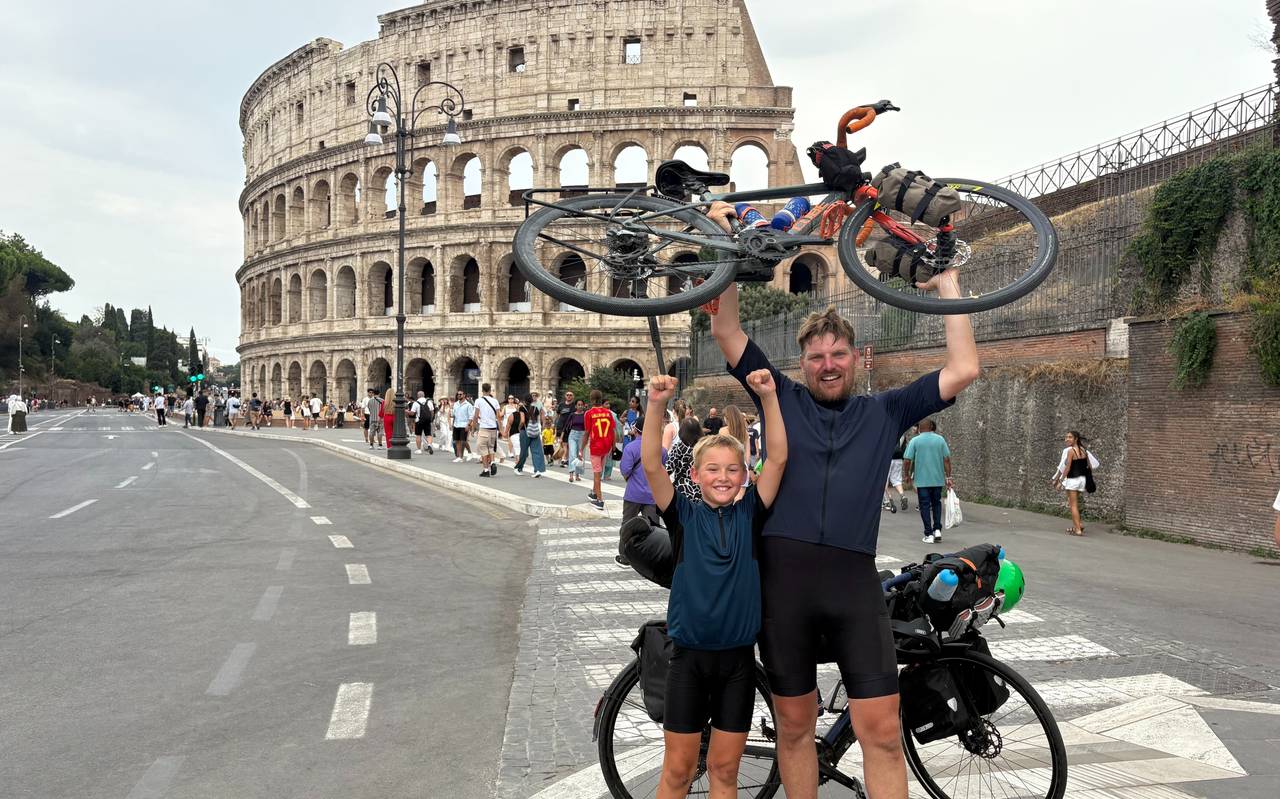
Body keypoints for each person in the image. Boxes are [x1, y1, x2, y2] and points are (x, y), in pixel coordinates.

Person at [708, 249, 979, 799]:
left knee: (880, 731)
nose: (827, 364)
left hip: (854, 587)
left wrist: (949, 287)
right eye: (815, 357)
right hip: (783, 589)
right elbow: (727, 329)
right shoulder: (779, 398)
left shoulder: (885, 412)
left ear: (857, 356)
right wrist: (729, 252)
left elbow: (964, 369)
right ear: (801, 363)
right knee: (796, 729)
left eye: (837, 353)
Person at [641, 369, 787, 799]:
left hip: (739, 664)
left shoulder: (752, 513)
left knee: (724, 770)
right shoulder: (682, 515)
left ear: (745, 474)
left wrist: (770, 398)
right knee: (678, 772)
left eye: (732, 469)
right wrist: (655, 404)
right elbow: (652, 462)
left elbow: (777, 458)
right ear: (697, 475)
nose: (722, 476)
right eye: (713, 469)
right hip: (688, 662)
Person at [904, 419, 952, 543]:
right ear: (932, 427)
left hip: (922, 481)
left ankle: (928, 533)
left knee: (924, 506)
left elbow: (907, 460)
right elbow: (946, 459)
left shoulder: (915, 441)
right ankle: (937, 530)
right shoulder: (940, 440)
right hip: (937, 480)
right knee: (936, 503)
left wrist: (907, 475)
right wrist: (948, 477)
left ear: (919, 428)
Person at [1052, 430, 1100, 536]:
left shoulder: (1070, 451)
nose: (1067, 439)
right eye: (1066, 437)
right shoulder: (1084, 450)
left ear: (1076, 439)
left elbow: (1067, 468)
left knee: (1073, 505)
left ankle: (1078, 529)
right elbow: (1090, 466)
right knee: (1072, 503)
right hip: (1082, 480)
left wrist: (1059, 481)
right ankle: (1078, 525)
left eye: (1069, 437)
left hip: (1073, 480)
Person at [584, 390, 616, 508]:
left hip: (596, 446)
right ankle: (593, 493)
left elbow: (587, 432)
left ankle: (599, 499)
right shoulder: (608, 413)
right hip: (606, 445)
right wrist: (613, 447)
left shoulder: (589, 413)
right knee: (600, 470)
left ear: (591, 400)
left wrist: (581, 449)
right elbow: (613, 431)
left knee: (597, 474)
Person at [474, 383, 501, 477]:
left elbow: (476, 415)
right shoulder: (495, 401)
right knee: (491, 447)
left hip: (484, 428)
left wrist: (474, 427)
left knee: (483, 448)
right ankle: (493, 462)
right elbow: (499, 416)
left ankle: (486, 470)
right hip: (493, 428)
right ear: (490, 390)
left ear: (482, 390)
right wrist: (501, 429)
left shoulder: (478, 401)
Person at [883, 432, 909, 513]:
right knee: (897, 480)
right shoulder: (902, 433)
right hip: (899, 458)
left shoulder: (887, 431)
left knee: (884, 480)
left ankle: (888, 500)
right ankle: (902, 495)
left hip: (887, 457)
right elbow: (904, 447)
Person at [566, 399, 587, 483]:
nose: (580, 406)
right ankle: (571, 474)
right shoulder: (572, 415)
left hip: (582, 435)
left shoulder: (585, 415)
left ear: (584, 406)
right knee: (572, 454)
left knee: (580, 455)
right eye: (578, 405)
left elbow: (588, 427)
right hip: (572, 435)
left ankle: (577, 474)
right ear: (575, 406)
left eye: (581, 404)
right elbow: (566, 425)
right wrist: (562, 436)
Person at [451, 390, 474, 462]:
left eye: (460, 394)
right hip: (456, 424)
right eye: (458, 394)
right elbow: (454, 415)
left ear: (464, 395)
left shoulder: (468, 405)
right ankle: (459, 456)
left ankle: (470, 452)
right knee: (457, 441)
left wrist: (468, 425)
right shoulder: (455, 404)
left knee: (463, 441)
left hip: (464, 424)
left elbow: (471, 416)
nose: (459, 395)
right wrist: (452, 423)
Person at [555, 390, 576, 466]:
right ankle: (563, 459)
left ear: (573, 397)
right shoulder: (561, 405)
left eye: (570, 395)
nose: (569, 396)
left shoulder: (574, 405)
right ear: (565, 396)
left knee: (566, 443)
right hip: (560, 426)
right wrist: (555, 425)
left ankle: (564, 459)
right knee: (562, 443)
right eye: (567, 395)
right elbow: (557, 415)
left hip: (569, 427)